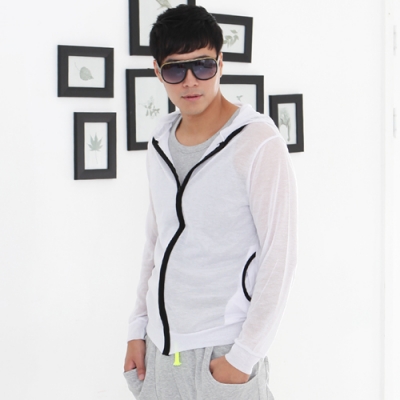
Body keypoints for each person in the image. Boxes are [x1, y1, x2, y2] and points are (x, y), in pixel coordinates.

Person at [124, 5, 297, 399]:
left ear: (220, 63)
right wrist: (137, 328)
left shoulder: (258, 142)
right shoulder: (159, 140)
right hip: (159, 350)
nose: (190, 81)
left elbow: (280, 255)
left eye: (202, 65)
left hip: (223, 353)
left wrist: (243, 357)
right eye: (175, 69)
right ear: (157, 72)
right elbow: (156, 241)